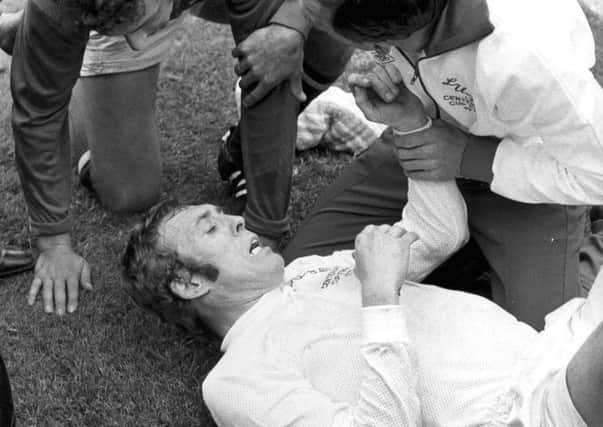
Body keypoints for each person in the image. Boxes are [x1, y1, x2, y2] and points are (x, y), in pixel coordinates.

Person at [122, 178, 603, 426]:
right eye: (211, 227)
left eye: (224, 214)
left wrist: (412, 124)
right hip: (528, 411)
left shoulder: (304, 272)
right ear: (188, 285)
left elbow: (438, 235)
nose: (236, 221)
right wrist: (378, 297)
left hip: (557, 345)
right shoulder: (235, 380)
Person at [2, 0, 352, 315]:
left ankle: (239, 148)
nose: (139, 40)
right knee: (128, 193)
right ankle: (51, 38)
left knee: (325, 31)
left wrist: (265, 228)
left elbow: (273, 77)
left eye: (142, 27)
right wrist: (52, 243)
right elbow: (37, 113)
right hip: (84, 11)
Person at [281, 0, 603, 329]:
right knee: (301, 278)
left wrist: (471, 157)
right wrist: (410, 117)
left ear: (373, 42)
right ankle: (472, 254)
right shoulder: (402, 21)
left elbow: (598, 174)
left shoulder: (527, 57)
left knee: (540, 345)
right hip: (424, 137)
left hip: (533, 172)